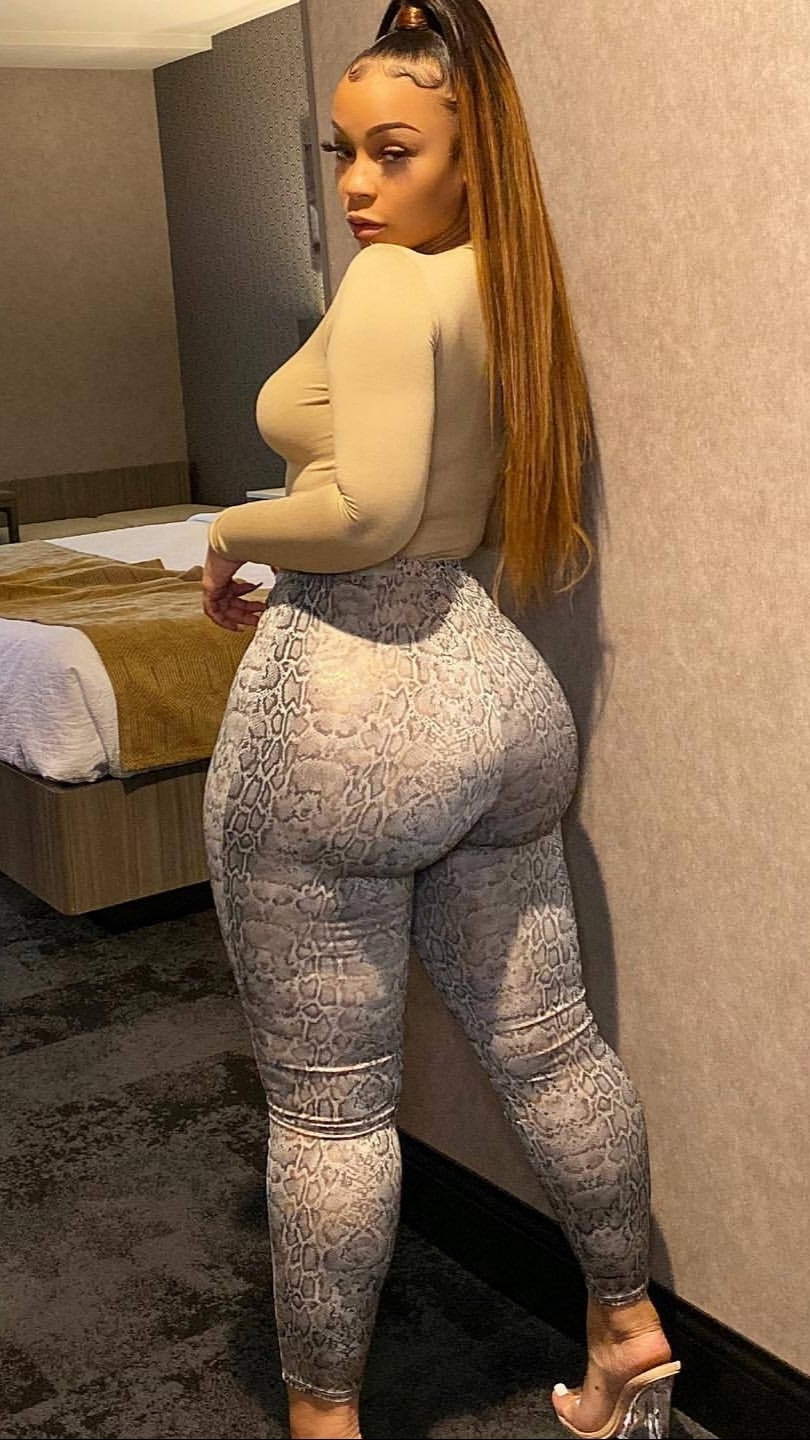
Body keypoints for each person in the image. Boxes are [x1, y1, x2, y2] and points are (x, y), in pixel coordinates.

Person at [201, 3, 680, 1437]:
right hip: (496, 697)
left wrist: (227, 532)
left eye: (394, 152)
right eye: (342, 152)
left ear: (472, 159)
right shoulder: (503, 290)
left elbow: (365, 511)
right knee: (552, 1047)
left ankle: (325, 1421)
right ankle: (630, 1334)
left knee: (329, 1107)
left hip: (349, 705)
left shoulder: (394, 287)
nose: (358, 186)